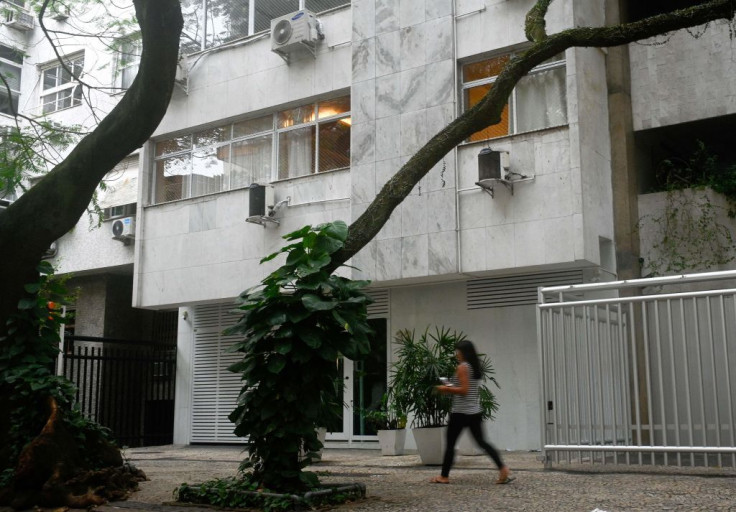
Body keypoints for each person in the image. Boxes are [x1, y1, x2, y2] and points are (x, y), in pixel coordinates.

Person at [429, 339, 512, 485]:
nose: (456, 354)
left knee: (450, 444)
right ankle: (502, 467)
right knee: (482, 442)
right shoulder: (473, 367)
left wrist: (446, 388)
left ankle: (444, 476)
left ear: (463, 352)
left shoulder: (462, 367)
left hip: (460, 413)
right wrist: (451, 384)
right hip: (474, 412)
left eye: (458, 352)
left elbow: (464, 390)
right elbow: (466, 387)